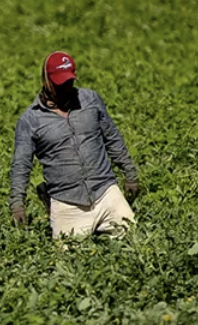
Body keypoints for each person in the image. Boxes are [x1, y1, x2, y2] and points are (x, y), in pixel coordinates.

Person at [10, 50, 139, 238]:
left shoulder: (90, 100)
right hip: (67, 202)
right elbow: (21, 165)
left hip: (105, 191)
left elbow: (112, 138)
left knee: (134, 241)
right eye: (59, 83)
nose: (65, 87)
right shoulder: (30, 120)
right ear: (46, 81)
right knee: (68, 261)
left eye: (69, 81)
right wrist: (17, 205)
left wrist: (130, 174)